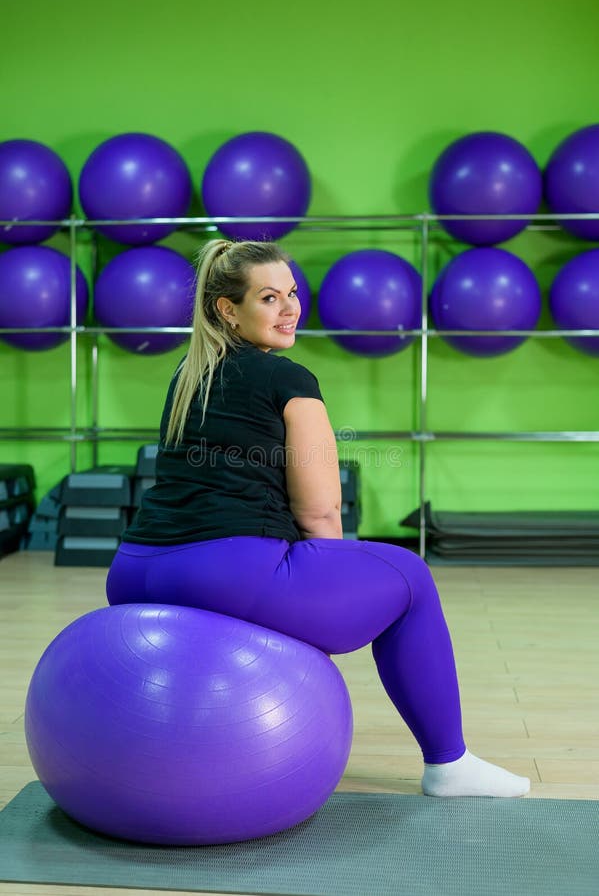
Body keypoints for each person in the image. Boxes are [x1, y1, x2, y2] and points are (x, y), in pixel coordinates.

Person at [106, 238, 530, 799]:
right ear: (226, 310)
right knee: (411, 578)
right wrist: (324, 603)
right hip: (225, 572)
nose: (289, 309)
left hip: (133, 571)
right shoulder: (290, 379)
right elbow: (320, 510)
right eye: (268, 298)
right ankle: (449, 764)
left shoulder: (188, 374)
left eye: (292, 294)